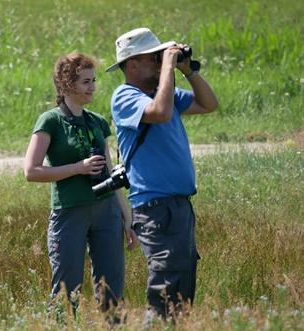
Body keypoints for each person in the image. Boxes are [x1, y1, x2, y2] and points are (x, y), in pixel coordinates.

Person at [106, 27, 219, 322]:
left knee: (182, 292)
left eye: (160, 57)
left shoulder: (163, 91)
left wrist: (187, 71)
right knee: (165, 291)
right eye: (153, 58)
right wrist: (168, 67)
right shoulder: (124, 96)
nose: (159, 62)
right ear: (132, 65)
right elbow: (160, 113)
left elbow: (209, 104)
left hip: (179, 206)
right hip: (156, 209)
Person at [24, 52, 137, 321]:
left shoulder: (97, 121)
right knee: (66, 290)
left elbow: (111, 173)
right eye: (86, 81)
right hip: (69, 212)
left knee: (112, 288)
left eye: (93, 80)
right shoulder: (50, 121)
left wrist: (126, 215)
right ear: (66, 85)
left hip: (106, 211)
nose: (93, 87)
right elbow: (31, 171)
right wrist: (79, 168)